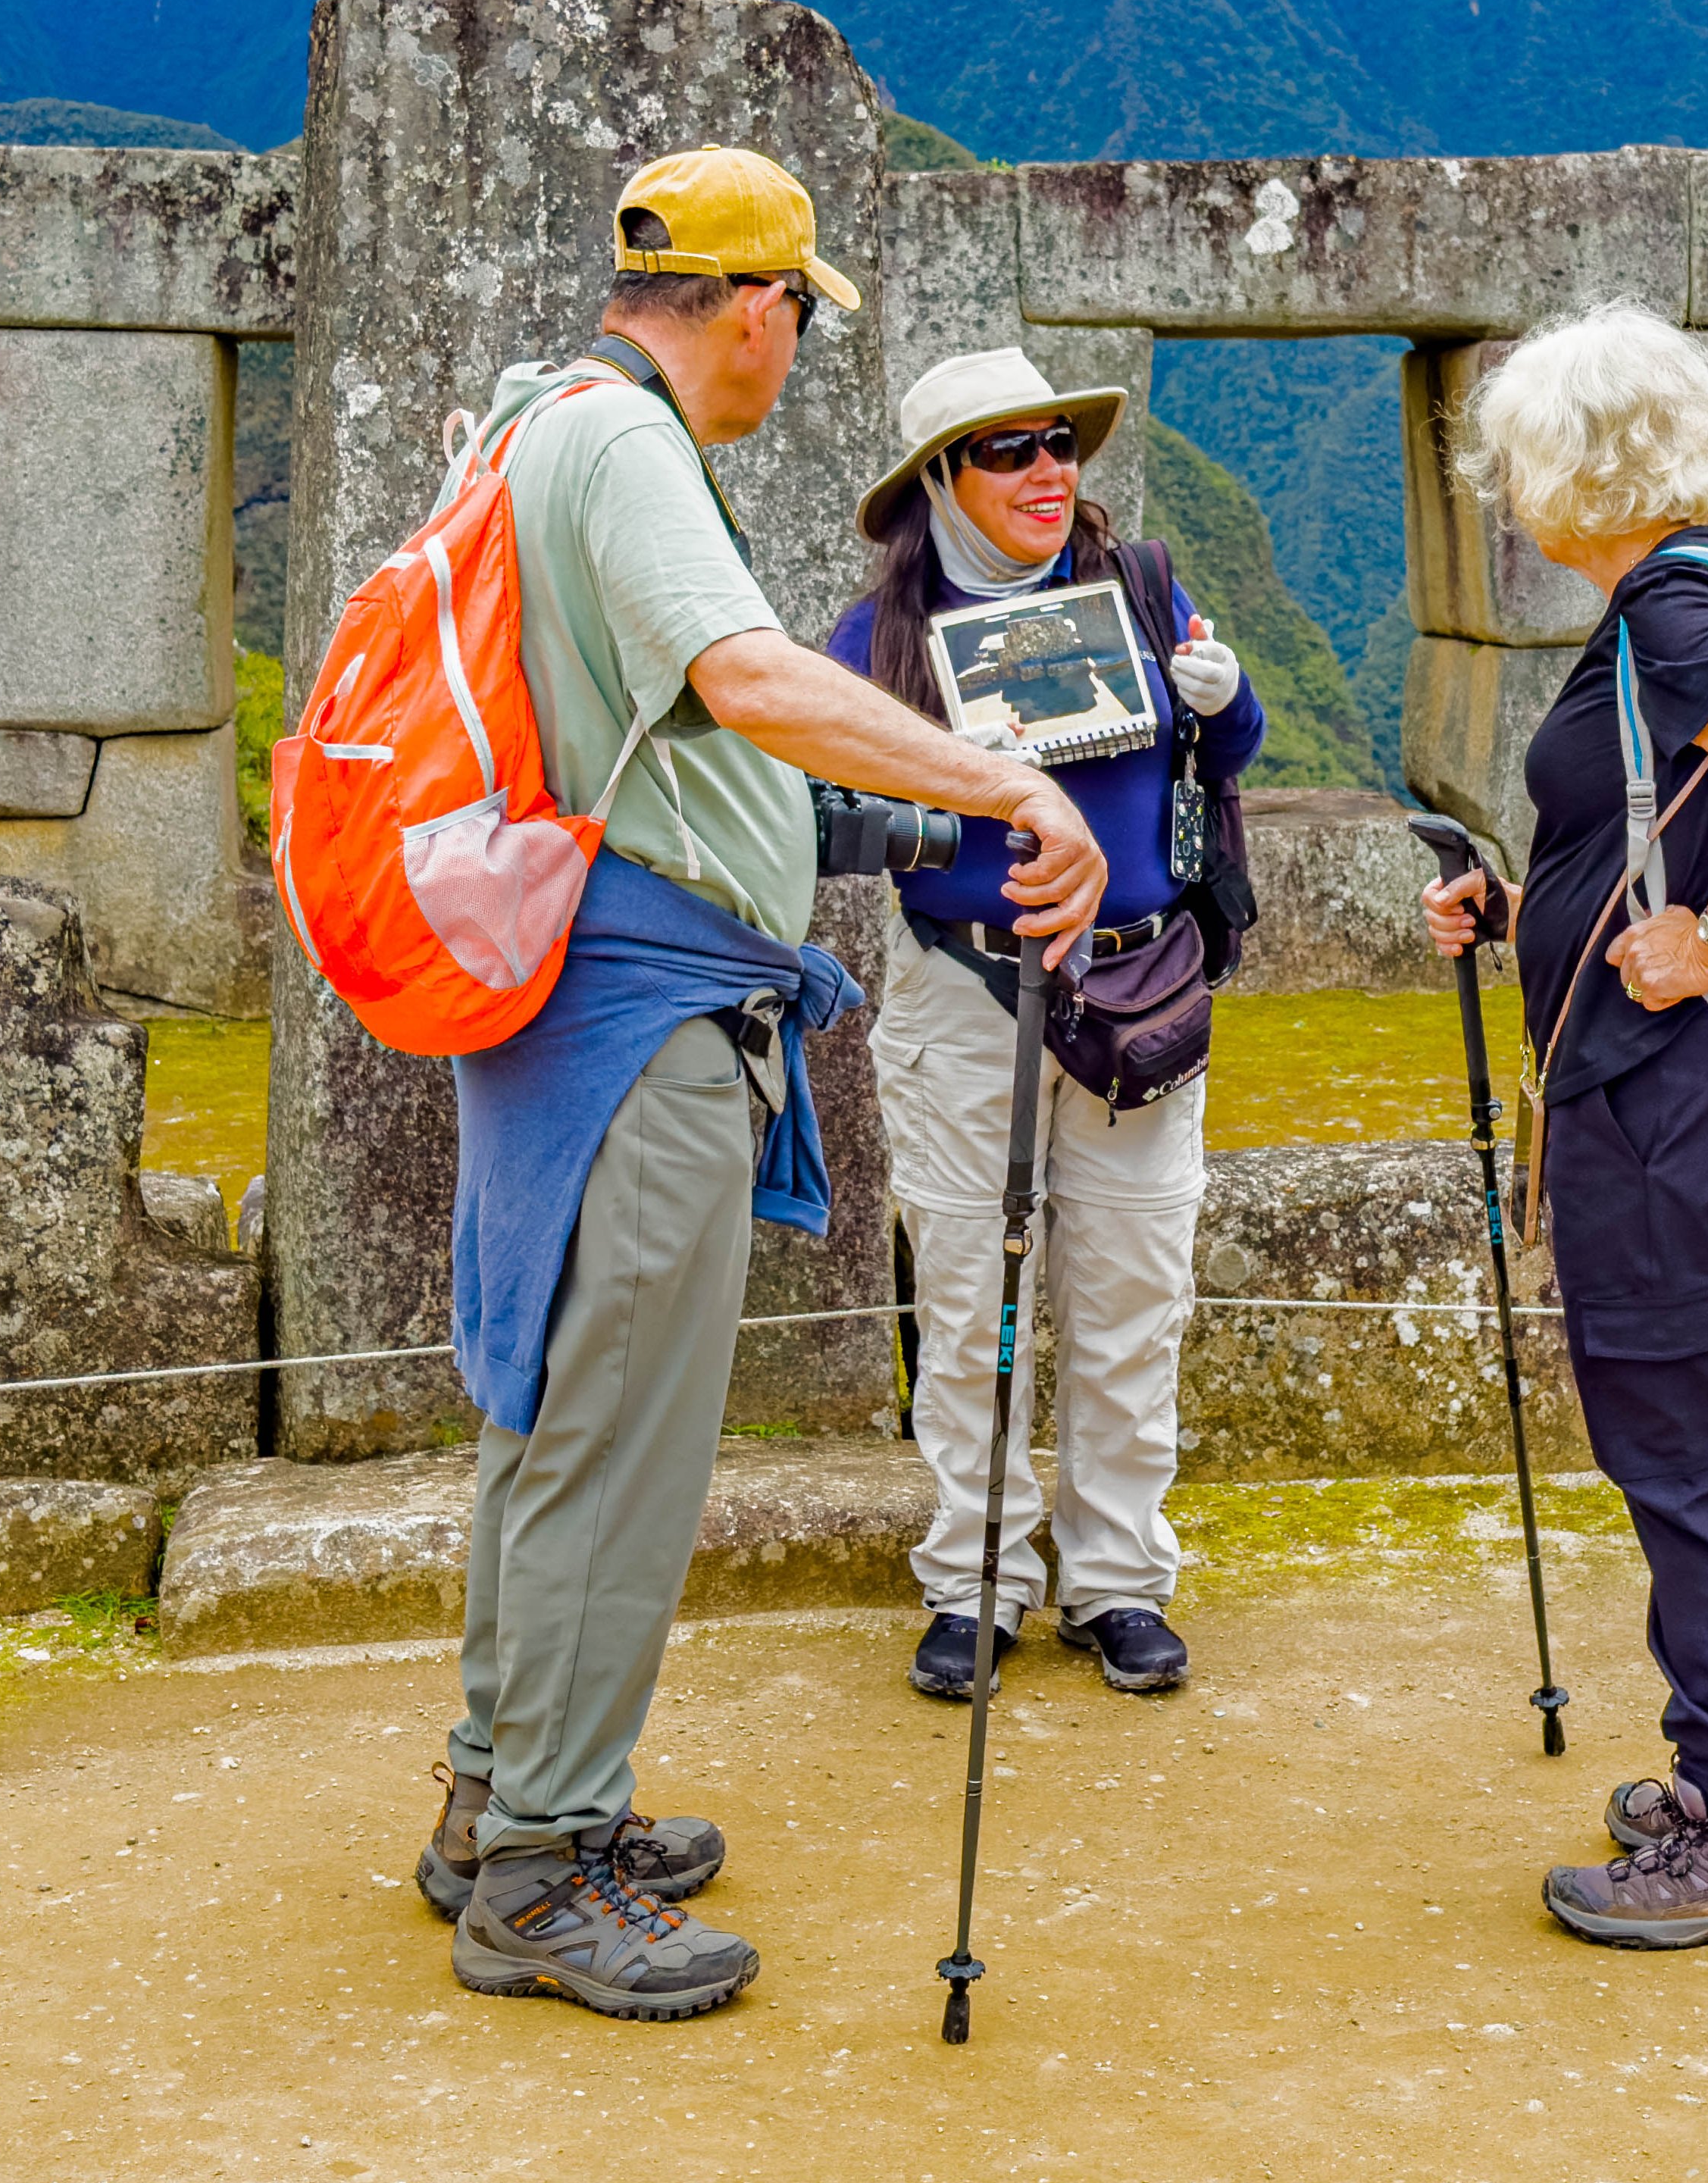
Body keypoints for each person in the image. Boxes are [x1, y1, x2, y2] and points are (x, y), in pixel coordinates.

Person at [417, 153, 1108, 2025]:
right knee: (621, 1436)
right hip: (641, 1021)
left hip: (576, 994)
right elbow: (743, 678)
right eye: (801, 317)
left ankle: (501, 1800)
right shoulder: (628, 450)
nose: (795, 353)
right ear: (756, 303)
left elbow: (681, 753)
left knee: (553, 1409)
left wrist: (865, 821)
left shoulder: (529, 432)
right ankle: (546, 1867)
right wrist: (1006, 786)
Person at [1416, 305, 1708, 1950]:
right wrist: (1534, 908)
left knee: (1693, 1448)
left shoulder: (1669, 604)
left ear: (1570, 468)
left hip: (1670, 1116)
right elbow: (1678, 822)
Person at [825, 347, 1260, 1703]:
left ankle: (1118, 1576)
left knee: (1135, 1292)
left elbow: (1226, 754)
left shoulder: (1137, 588)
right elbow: (833, 806)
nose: (1046, 472)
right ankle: (978, 1578)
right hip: (968, 996)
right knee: (970, 1299)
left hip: (1139, 994)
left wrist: (1224, 696)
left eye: (1057, 445)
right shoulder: (876, 641)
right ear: (941, 482)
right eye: (1006, 451)